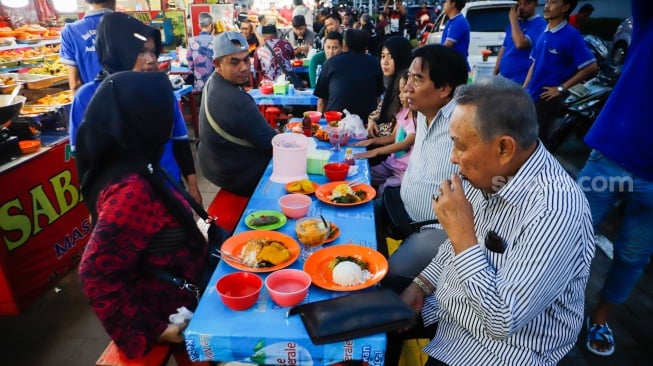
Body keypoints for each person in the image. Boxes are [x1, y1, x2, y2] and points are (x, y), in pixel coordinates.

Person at [400, 77, 594, 365]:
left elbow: (503, 320)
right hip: (452, 318)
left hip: (497, 352)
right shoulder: (492, 176)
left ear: (504, 148)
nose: (453, 158)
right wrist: (421, 284)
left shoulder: (556, 210)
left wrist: (462, 236)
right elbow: (451, 251)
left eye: (460, 146)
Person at [76, 71, 208, 359]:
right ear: (143, 120)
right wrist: (152, 329)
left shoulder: (132, 160)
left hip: (185, 296)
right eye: (163, 112)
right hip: (175, 313)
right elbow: (95, 272)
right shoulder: (130, 189)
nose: (172, 121)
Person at [380, 45, 468, 366]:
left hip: (437, 231)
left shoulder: (462, 122)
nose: (407, 87)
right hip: (407, 218)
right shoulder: (426, 113)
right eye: (408, 78)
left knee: (387, 280)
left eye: (417, 79)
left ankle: (389, 343)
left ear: (445, 89)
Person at [69, 11, 202, 204]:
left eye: (152, 51)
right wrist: (93, 206)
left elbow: (180, 141)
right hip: (123, 205)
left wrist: (192, 187)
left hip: (169, 191)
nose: (151, 59)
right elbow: (86, 162)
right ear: (116, 51)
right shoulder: (87, 97)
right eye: (140, 51)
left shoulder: (160, 89)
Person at [581, 0, 652, 357]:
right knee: (566, 233)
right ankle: (549, 304)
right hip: (612, 154)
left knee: (632, 257)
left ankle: (601, 319)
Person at [198, 32, 278, 197]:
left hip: (214, 166)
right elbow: (271, 143)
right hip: (235, 176)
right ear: (217, 64)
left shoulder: (214, 81)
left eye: (246, 59)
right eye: (234, 62)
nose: (244, 67)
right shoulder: (234, 100)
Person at [524, 0, 598, 147]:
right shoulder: (543, 32)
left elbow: (591, 67)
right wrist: (523, 89)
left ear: (565, 7)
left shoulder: (571, 35)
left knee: (539, 144)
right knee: (525, 139)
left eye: (553, 2)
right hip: (531, 95)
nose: (547, 6)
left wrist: (560, 88)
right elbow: (534, 63)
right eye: (547, 2)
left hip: (547, 99)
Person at [354, 71, 416, 195]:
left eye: (404, 91)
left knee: (385, 190)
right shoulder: (403, 111)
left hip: (405, 170)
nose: (400, 95)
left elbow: (406, 143)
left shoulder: (417, 118)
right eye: (400, 91)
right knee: (364, 177)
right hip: (392, 164)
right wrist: (373, 141)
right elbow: (394, 136)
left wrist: (376, 151)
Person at [314, 29, 384, 123]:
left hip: (335, 122)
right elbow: (378, 98)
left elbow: (321, 99)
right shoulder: (375, 62)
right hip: (367, 123)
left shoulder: (331, 63)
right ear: (365, 47)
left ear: (345, 45)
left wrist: (319, 125)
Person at [59, 0, 115, 94]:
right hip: (128, 100)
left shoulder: (70, 31)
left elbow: (75, 84)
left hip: (92, 101)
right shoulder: (132, 26)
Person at [367, 36, 413, 138]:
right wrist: (372, 120)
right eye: (383, 56)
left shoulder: (405, 83)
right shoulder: (393, 82)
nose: (385, 62)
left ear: (401, 57)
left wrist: (373, 128)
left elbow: (393, 130)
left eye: (391, 57)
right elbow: (382, 111)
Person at [493, 0, 547, 84]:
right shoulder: (514, 24)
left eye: (527, 3)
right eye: (519, 3)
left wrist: (513, 20)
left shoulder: (540, 24)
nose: (522, 7)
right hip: (503, 78)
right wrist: (494, 74)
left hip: (520, 80)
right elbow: (504, 49)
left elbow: (520, 44)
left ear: (535, 4)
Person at [186, 12, 215, 92]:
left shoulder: (192, 41)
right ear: (211, 25)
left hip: (199, 85)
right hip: (214, 85)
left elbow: (190, 63)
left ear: (199, 25)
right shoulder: (216, 41)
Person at [441, 0, 471, 70]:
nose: (444, 4)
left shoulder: (459, 21)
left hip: (457, 67)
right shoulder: (451, 21)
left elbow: (447, 45)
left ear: (453, 4)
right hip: (451, 66)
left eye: (446, 2)